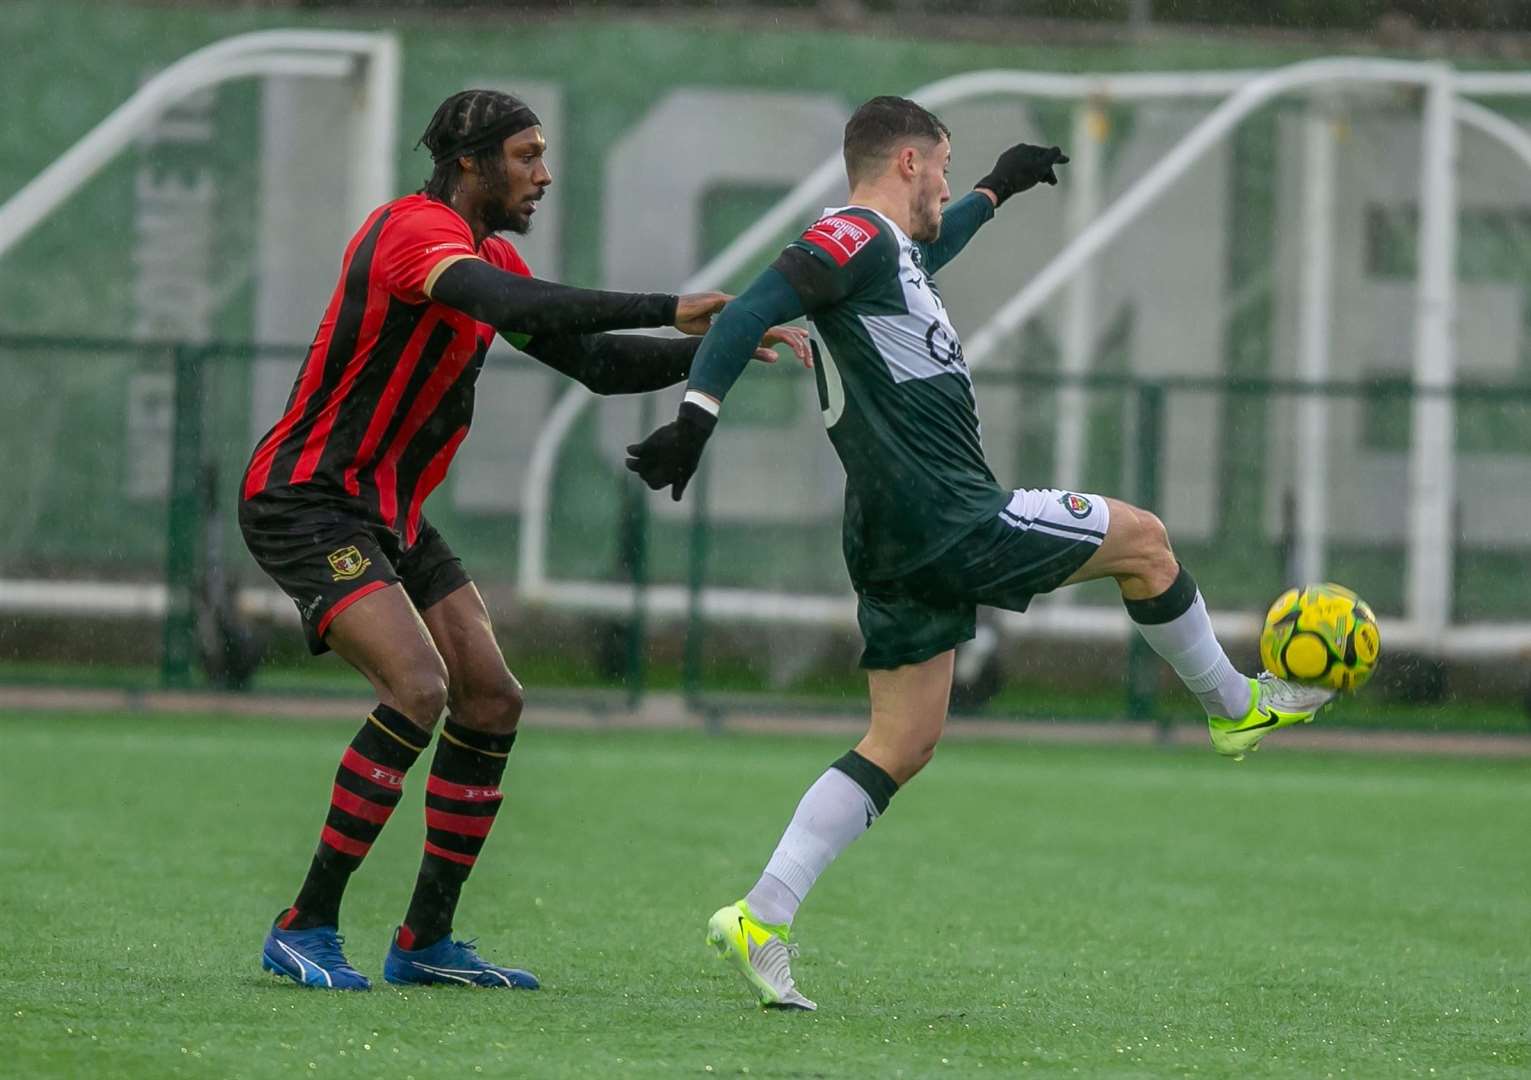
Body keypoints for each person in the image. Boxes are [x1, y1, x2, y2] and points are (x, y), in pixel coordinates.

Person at [625, 95, 1333, 1010]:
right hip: (947, 513)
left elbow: (934, 242)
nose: (948, 185)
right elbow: (747, 308)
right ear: (910, 162)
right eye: (947, 167)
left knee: (901, 742)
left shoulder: (892, 253)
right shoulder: (851, 236)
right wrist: (696, 419)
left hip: (887, 532)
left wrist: (999, 188)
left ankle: (761, 916)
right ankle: (1235, 707)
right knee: (1146, 543)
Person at [241, 89, 808, 992]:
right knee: (417, 685)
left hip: (389, 512)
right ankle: (302, 924)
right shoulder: (412, 232)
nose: (542, 174)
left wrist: (722, 349)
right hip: (305, 500)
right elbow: (505, 296)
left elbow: (596, 366)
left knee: (492, 698)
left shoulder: (485, 253)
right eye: (525, 155)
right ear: (469, 164)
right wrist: (671, 303)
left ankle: (424, 942)